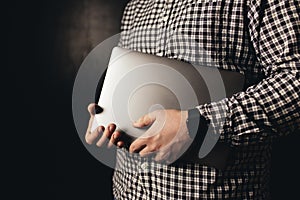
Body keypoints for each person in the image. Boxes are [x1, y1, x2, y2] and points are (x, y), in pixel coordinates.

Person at [85, 0, 299, 199]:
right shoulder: (137, 5)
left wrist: (197, 125)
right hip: (127, 192)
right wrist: (106, 114)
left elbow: (295, 82)